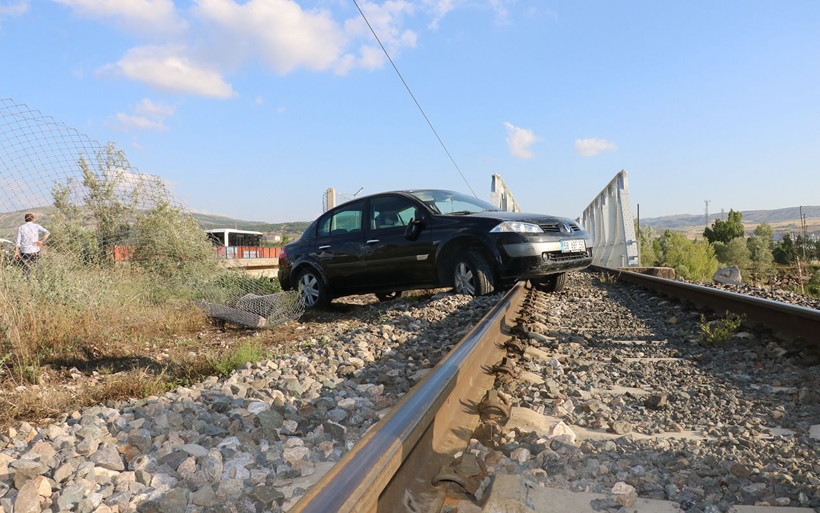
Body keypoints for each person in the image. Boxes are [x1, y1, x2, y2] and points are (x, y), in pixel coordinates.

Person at [14, 213, 50, 277]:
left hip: (25, 251)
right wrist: (41, 241)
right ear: (33, 219)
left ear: (25, 219)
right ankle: (37, 278)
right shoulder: (36, 226)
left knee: (25, 268)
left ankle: (27, 280)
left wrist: (16, 252)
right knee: (36, 266)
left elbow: (18, 241)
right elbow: (47, 233)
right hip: (35, 250)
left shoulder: (21, 228)